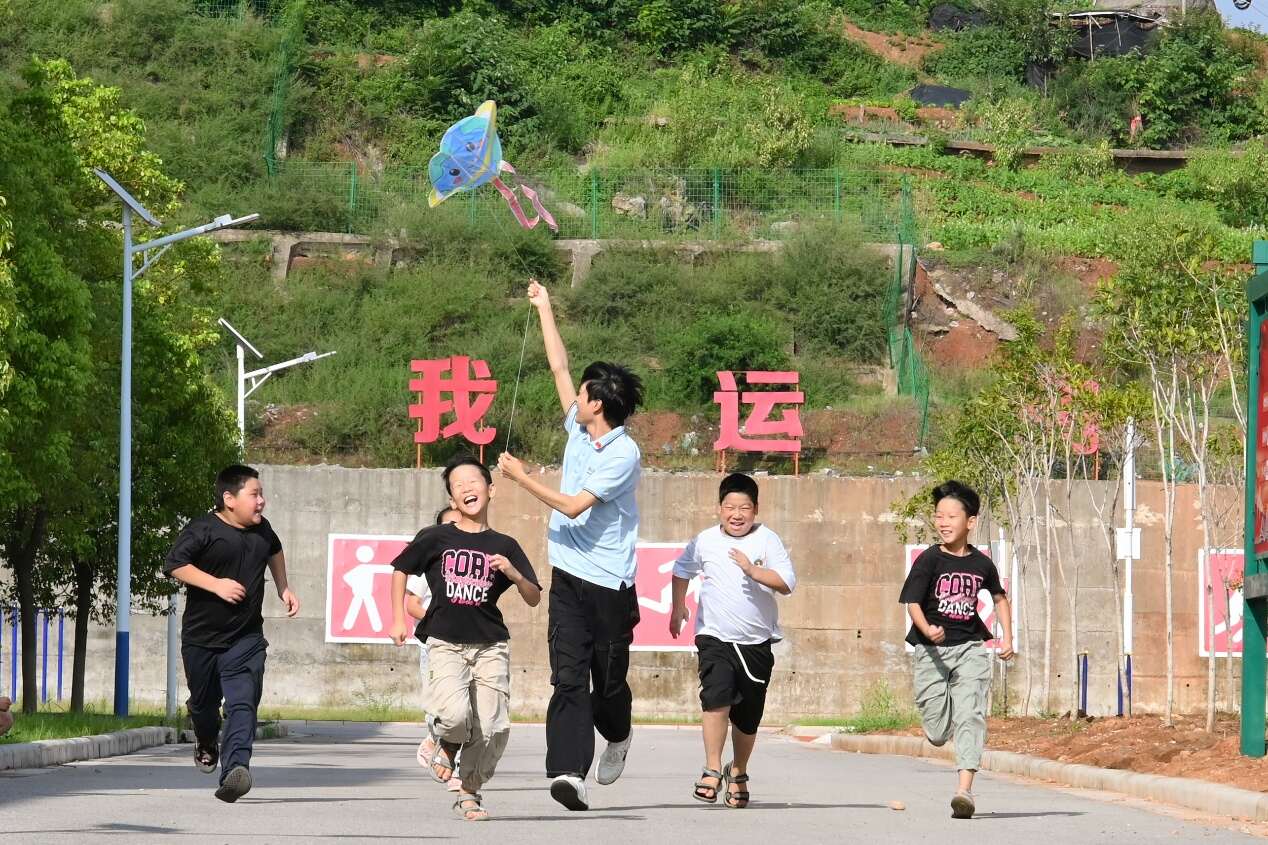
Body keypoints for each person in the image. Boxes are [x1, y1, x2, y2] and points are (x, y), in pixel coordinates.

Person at [497, 279, 644, 812]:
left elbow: (575, 506)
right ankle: (567, 774)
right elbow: (560, 367)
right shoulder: (580, 430)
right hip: (568, 577)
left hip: (609, 585)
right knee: (567, 678)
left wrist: (518, 477)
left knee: (607, 684)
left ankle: (620, 735)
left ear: (598, 404)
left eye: (583, 393)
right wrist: (545, 308)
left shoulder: (621, 454)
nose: (574, 397)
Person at [389, 455, 541, 821]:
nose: (467, 488)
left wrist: (513, 573)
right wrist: (397, 618)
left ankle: (470, 790)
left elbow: (534, 595)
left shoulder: (505, 545)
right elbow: (399, 569)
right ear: (453, 501)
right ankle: (447, 742)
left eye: (474, 481)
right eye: (458, 485)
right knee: (455, 715)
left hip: (490, 643)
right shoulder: (436, 537)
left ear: (490, 489)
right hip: (444, 641)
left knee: (492, 726)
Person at [163, 464, 300, 803]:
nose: (262, 501)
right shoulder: (203, 529)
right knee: (204, 705)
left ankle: (236, 770)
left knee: (243, 703)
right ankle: (206, 740)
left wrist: (284, 587)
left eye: (261, 494)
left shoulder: (262, 530)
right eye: (254, 494)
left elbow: (275, 550)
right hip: (201, 639)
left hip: (246, 638)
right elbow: (175, 564)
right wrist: (216, 585)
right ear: (229, 498)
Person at [669, 473, 796, 809]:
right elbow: (681, 570)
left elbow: (786, 583)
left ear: (756, 510)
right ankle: (711, 768)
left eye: (744, 507)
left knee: (747, 716)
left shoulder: (768, 540)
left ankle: (737, 771)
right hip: (714, 635)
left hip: (756, 641)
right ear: (719, 508)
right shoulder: (705, 540)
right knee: (715, 698)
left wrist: (754, 571)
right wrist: (678, 606)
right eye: (730, 507)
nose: (736, 514)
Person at [898, 479, 1014, 820]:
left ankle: (964, 790)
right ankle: (949, 724)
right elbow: (912, 603)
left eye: (951, 516)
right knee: (936, 732)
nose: (943, 522)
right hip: (931, 651)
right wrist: (926, 629)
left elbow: (999, 598)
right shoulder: (929, 560)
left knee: (971, 713)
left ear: (971, 521)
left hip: (970, 647)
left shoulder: (981, 564)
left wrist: (1006, 638)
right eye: (938, 516)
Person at [412, 506, 463, 791]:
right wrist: (441, 620)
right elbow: (411, 604)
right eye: (450, 526)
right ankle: (434, 742)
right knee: (441, 704)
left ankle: (458, 768)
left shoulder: (475, 564)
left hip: (468, 644)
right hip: (433, 642)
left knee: (467, 708)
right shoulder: (428, 566)